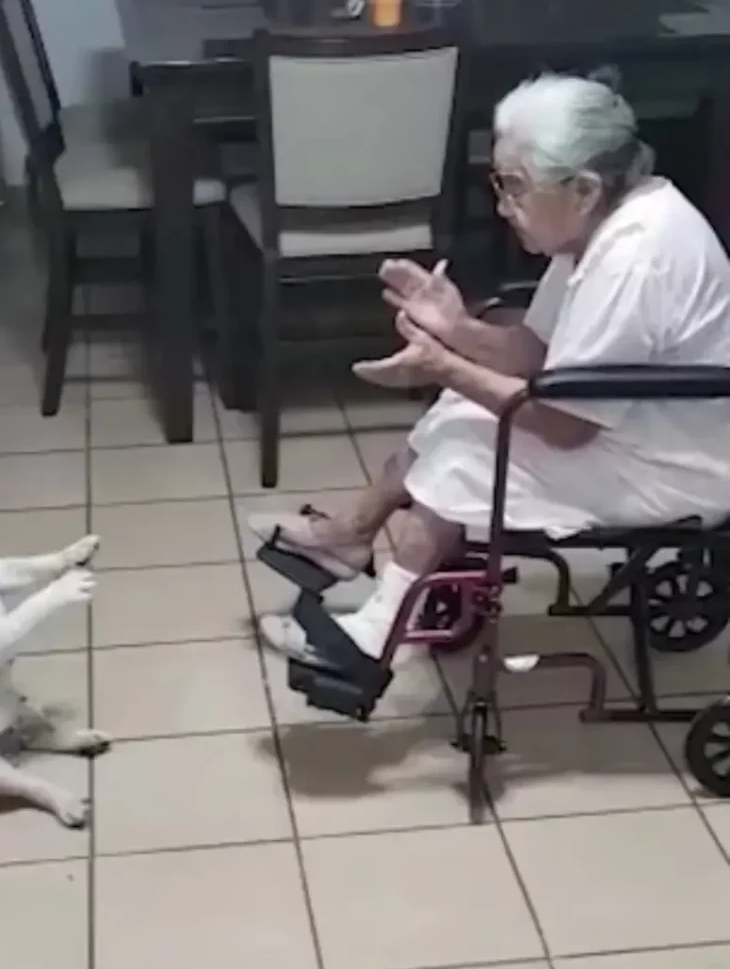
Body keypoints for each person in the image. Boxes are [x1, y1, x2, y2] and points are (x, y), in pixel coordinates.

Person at [252, 70, 730, 665]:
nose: (503, 206)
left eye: (515, 187)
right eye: (499, 184)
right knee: (465, 414)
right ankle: (352, 535)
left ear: (581, 189)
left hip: (674, 467)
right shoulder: (605, 221)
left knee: (467, 450)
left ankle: (377, 631)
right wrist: (456, 330)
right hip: (635, 426)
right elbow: (536, 351)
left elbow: (566, 424)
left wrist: (445, 366)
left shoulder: (635, 258)